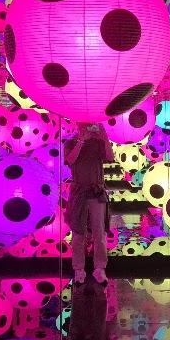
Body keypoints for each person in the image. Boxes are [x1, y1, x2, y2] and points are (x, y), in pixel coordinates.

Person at [66, 120, 114, 284]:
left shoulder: (98, 142)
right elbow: (71, 160)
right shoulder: (70, 142)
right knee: (78, 233)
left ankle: (100, 268)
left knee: (99, 232)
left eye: (89, 125)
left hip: (96, 191)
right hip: (79, 192)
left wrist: (104, 136)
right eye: (83, 125)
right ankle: (78, 269)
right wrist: (81, 140)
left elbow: (110, 157)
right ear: (78, 125)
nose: (87, 128)